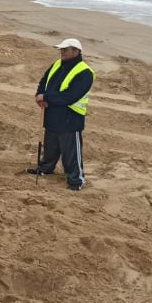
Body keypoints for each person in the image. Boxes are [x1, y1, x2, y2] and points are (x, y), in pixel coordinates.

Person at [29, 38, 94, 191]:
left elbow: (70, 96)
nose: (62, 52)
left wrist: (46, 97)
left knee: (70, 152)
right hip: (51, 115)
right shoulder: (57, 65)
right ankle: (46, 168)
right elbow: (43, 82)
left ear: (76, 51)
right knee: (50, 147)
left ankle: (76, 180)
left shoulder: (85, 72)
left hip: (70, 119)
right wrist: (39, 95)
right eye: (61, 49)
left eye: (66, 49)